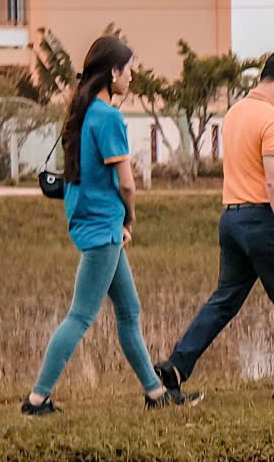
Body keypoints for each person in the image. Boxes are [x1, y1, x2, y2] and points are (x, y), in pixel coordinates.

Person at [23, 34, 196, 415]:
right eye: (128, 70)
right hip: (104, 228)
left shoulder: (84, 114)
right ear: (113, 73)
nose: (131, 77)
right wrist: (129, 218)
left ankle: (155, 393)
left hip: (96, 224)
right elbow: (127, 183)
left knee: (129, 311)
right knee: (80, 315)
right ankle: (37, 399)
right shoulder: (109, 117)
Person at [157, 49, 274, 400]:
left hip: (231, 218)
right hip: (262, 220)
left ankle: (177, 366)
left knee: (224, 300)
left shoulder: (235, 113)